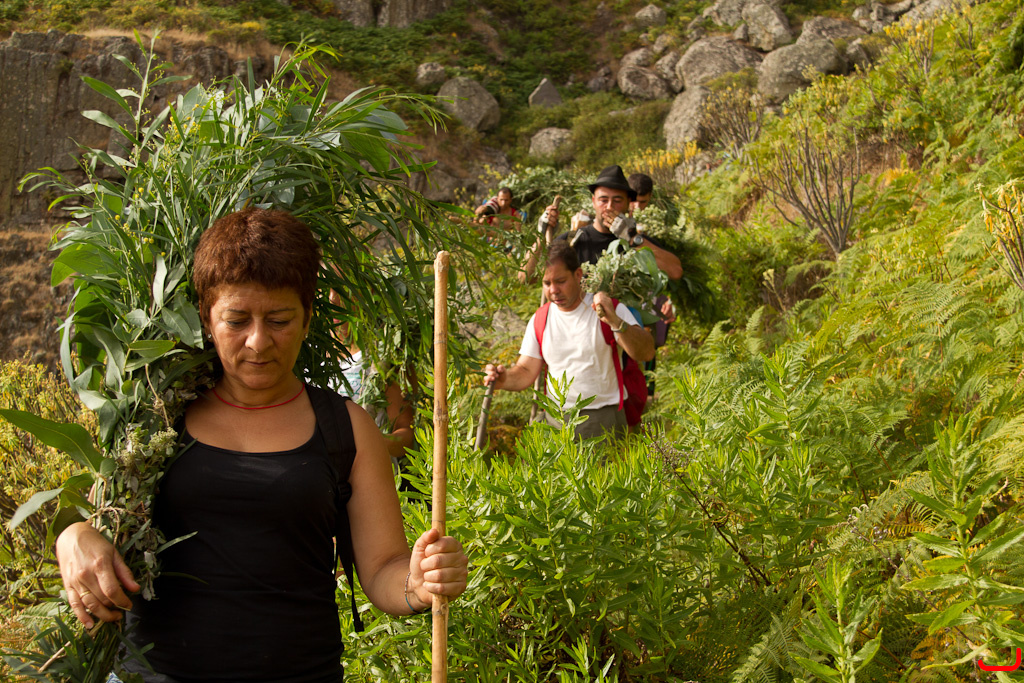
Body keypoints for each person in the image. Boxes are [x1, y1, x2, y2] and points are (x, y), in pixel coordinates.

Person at [55, 208, 469, 682]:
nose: (258, 341)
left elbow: (382, 571)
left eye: (279, 319)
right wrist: (73, 537)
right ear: (206, 320)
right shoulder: (152, 419)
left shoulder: (346, 428)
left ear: (307, 318)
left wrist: (419, 582)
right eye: (236, 320)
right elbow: (97, 518)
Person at [485, 241, 654, 439]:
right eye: (547, 283)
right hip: (556, 420)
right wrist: (504, 379)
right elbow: (525, 370)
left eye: (560, 281)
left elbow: (646, 352)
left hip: (601, 420)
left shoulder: (608, 309)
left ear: (578, 275)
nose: (553, 290)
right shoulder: (541, 318)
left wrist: (616, 322)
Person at [520, 165, 683, 280]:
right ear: (593, 202)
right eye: (603, 200)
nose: (609, 206)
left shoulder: (636, 242)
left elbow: (675, 271)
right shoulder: (573, 240)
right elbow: (525, 277)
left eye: (617, 200)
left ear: (628, 203)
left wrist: (631, 238)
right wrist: (540, 236)